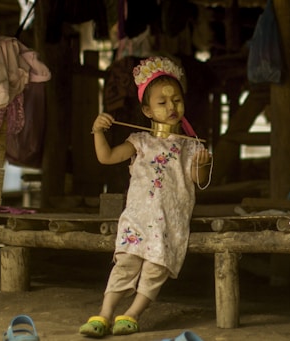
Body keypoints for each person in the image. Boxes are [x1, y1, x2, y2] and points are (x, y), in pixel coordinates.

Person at [79, 56, 212, 337]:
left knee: (155, 269)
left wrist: (202, 164)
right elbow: (105, 157)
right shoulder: (138, 141)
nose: (171, 107)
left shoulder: (192, 146)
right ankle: (104, 314)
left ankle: (132, 314)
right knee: (126, 264)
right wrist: (98, 131)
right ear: (147, 111)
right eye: (162, 103)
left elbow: (199, 181)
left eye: (176, 100)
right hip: (138, 219)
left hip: (170, 223)